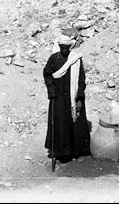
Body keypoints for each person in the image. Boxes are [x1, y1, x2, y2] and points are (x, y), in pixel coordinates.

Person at [43, 34, 91, 164]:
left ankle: (77, 152)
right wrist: (51, 91)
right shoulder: (54, 58)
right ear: (59, 47)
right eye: (62, 47)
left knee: (75, 124)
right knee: (60, 125)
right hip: (58, 97)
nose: (64, 50)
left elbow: (81, 78)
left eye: (66, 47)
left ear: (70, 47)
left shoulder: (75, 59)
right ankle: (61, 154)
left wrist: (79, 97)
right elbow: (47, 74)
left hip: (73, 97)